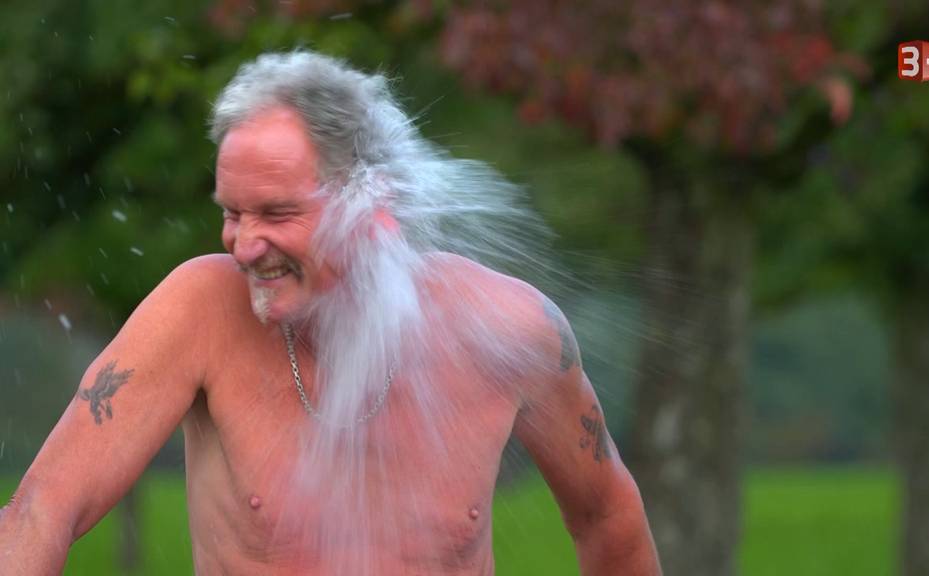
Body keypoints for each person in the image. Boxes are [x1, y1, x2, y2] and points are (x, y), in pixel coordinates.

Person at [0, 51, 661, 575]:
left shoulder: (512, 330)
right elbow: (41, 509)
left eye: (278, 213)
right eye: (232, 212)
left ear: (372, 201)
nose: (243, 244)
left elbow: (609, 520)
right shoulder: (199, 310)